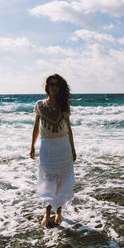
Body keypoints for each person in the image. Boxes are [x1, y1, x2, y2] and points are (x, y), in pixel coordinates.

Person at [30, 74, 76, 227]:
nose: (54, 87)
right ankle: (47, 214)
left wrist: (73, 149)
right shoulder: (39, 105)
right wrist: (32, 146)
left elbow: (69, 129)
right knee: (48, 180)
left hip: (63, 146)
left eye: (56, 84)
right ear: (47, 86)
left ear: (60, 87)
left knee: (62, 180)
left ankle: (59, 213)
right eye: (51, 84)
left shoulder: (64, 106)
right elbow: (36, 127)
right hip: (47, 147)